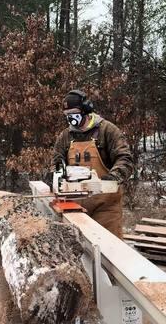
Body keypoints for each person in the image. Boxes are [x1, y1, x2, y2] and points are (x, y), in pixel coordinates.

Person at [53, 89, 133, 238]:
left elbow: (125, 158)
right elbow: (57, 161)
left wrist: (113, 177)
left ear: (86, 110)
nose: (71, 118)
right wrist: (55, 176)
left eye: (74, 113)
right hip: (74, 206)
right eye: (67, 115)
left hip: (105, 206)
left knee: (109, 249)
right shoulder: (65, 136)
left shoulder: (107, 130)